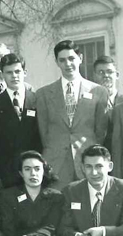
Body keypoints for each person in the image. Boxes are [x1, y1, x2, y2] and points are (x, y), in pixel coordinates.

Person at [36, 40, 110, 189]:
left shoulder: (98, 91)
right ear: (57, 62)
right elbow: (43, 131)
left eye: (71, 58)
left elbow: (101, 130)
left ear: (80, 58)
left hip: (87, 161)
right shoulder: (43, 94)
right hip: (56, 161)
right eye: (62, 60)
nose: (68, 64)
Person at [0, 53, 42, 187]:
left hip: (34, 168)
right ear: (2, 75)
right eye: (9, 72)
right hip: (6, 170)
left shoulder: (38, 100)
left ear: (25, 73)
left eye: (18, 71)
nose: (14, 76)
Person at [94, 55, 123, 145]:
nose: (106, 75)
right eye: (101, 72)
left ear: (117, 75)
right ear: (95, 76)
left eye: (110, 72)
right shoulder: (88, 104)